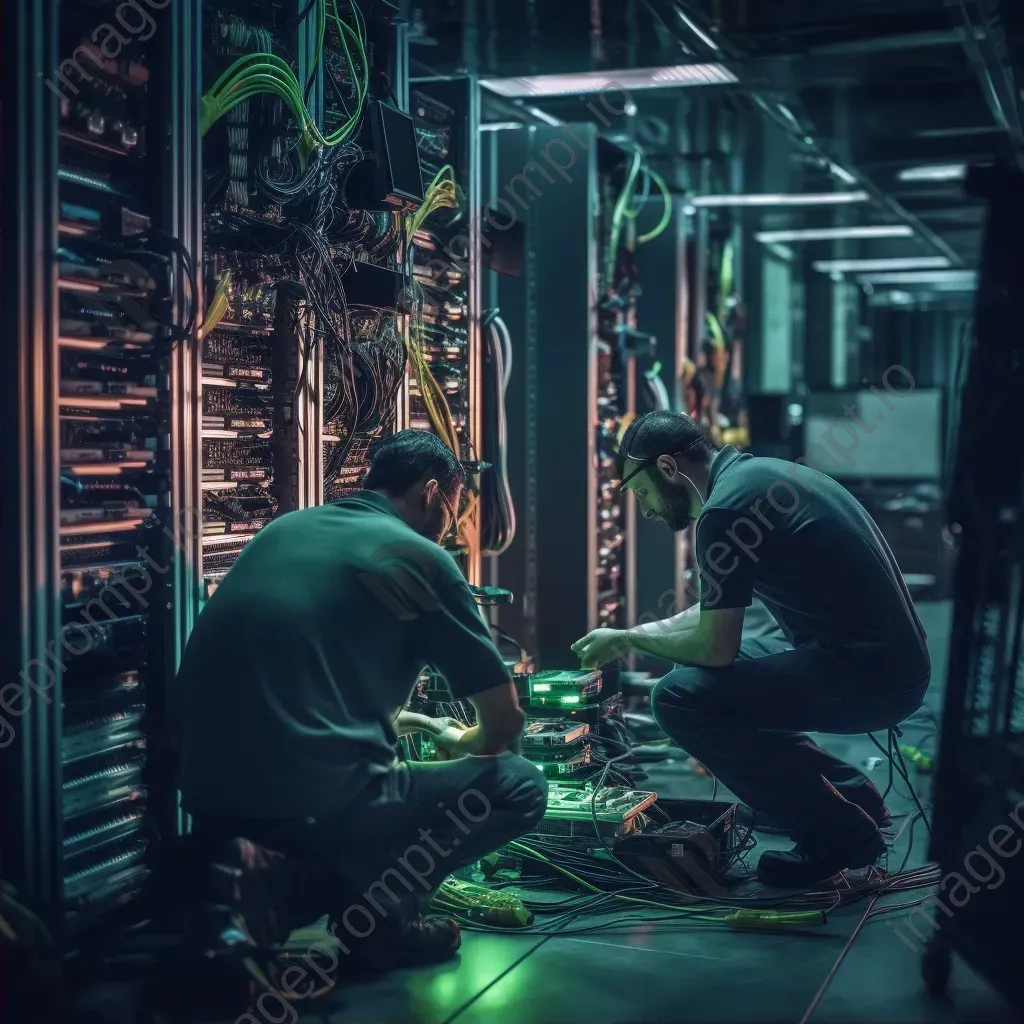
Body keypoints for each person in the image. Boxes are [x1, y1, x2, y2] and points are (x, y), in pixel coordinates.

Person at [176, 429, 546, 970]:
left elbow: (309, 678)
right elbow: (503, 724)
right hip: (310, 808)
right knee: (520, 784)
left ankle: (259, 878)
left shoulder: (285, 528)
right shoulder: (418, 556)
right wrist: (463, 741)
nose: (450, 530)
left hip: (207, 804)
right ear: (432, 492)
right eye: (455, 511)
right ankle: (372, 920)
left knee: (361, 787)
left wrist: (410, 722)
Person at [572, 411, 930, 886]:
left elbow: (715, 647)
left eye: (641, 494)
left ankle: (837, 834)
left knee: (678, 698)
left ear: (667, 468)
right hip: (884, 665)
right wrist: (624, 635)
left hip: (870, 679)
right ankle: (850, 794)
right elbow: (709, 614)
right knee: (699, 675)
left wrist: (632, 639)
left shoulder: (724, 513)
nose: (646, 511)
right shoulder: (755, 478)